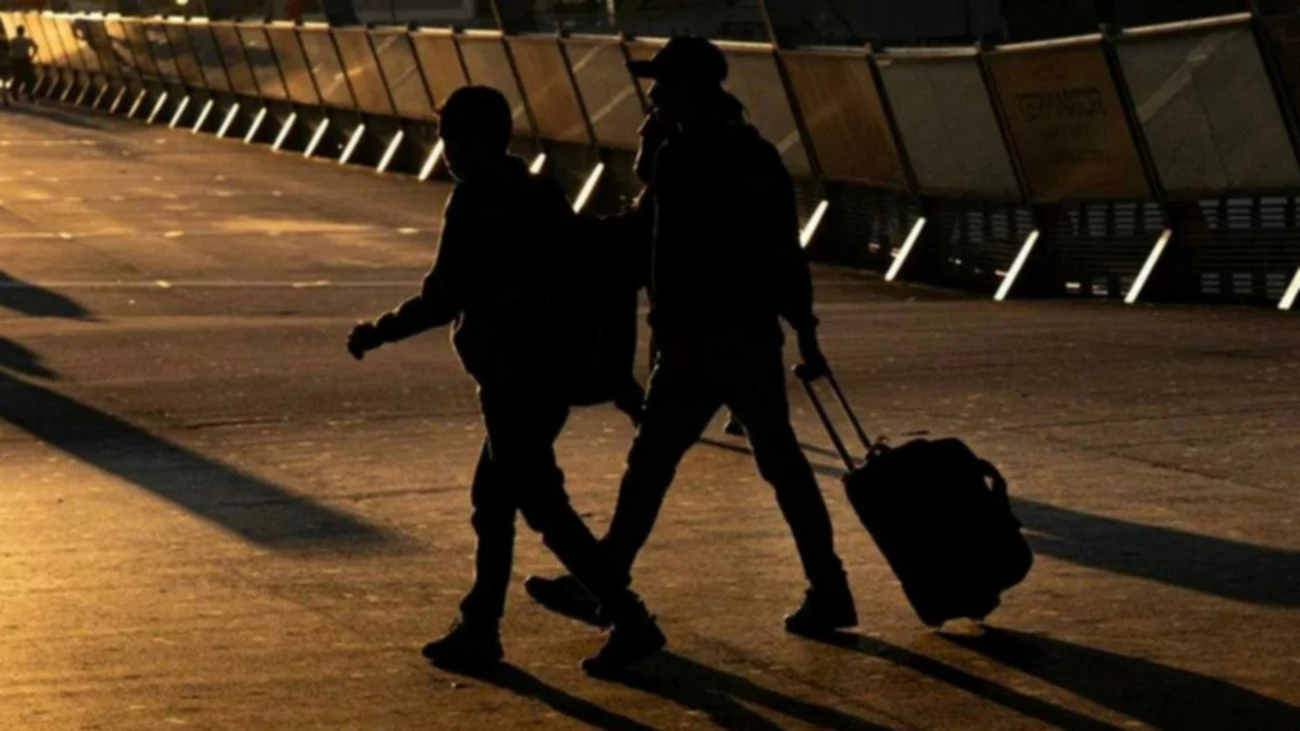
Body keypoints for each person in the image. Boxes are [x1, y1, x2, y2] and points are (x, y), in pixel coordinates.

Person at [526, 38, 857, 637]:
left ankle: (604, 582)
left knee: (650, 467)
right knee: (782, 466)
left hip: (696, 341)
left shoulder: (680, 157)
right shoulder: (755, 153)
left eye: (661, 85)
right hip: (752, 335)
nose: (651, 96)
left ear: (688, 89)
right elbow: (784, 250)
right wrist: (804, 331)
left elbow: (648, 240)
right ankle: (828, 586)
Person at [347, 86, 665, 676]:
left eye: (448, 138)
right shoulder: (540, 190)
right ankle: (481, 622)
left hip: (512, 375)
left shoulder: (476, 200)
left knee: (540, 503)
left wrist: (378, 332)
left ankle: (626, 615)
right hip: (550, 372)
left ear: (472, 140)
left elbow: (444, 295)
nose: (444, 150)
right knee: (494, 501)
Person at [6, 26, 37, 104]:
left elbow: (9, 50)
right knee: (30, 78)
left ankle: (15, 94)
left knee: (17, 78)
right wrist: (32, 56)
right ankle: (30, 95)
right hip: (25, 60)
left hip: (16, 61)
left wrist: (11, 57)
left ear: (17, 31)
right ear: (23, 31)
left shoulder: (13, 41)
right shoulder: (27, 40)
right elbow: (36, 47)